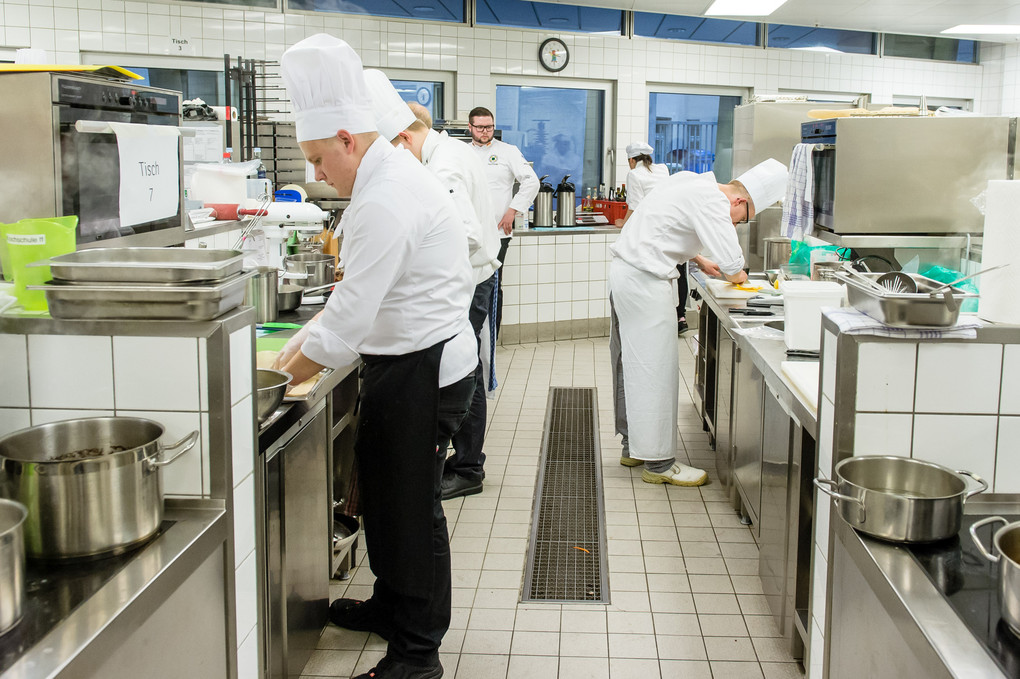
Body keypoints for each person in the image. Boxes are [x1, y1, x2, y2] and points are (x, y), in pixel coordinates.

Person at [274, 34, 477, 679]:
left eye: (316, 159)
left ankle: (417, 654)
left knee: (410, 513)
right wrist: (291, 354)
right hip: (404, 362)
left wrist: (274, 382)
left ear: (347, 139)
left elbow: (345, 326)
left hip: (424, 369)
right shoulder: (381, 181)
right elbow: (349, 305)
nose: (315, 175)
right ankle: (392, 605)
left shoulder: (387, 197)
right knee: (387, 502)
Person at [361, 69, 502, 501]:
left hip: (470, 282)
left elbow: (465, 233)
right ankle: (467, 462)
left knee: (464, 371)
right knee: (468, 367)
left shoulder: (444, 165)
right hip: (475, 277)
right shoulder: (450, 152)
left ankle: (468, 467)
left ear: (404, 138)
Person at [609, 158, 788, 484]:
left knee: (629, 364)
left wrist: (699, 259)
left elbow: (667, 223)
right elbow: (733, 264)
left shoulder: (690, 180)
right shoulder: (714, 200)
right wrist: (742, 278)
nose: (736, 224)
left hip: (626, 275)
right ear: (739, 201)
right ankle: (659, 465)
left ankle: (632, 446)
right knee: (655, 368)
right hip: (645, 283)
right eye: (742, 219)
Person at [467, 106, 540, 336]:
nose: (485, 132)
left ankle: (491, 339)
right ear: (470, 127)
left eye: (489, 127)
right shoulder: (462, 153)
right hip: (468, 233)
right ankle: (469, 338)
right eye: (480, 127)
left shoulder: (508, 151)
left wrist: (513, 210)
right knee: (468, 284)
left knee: (492, 285)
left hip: (498, 233)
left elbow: (532, 181)